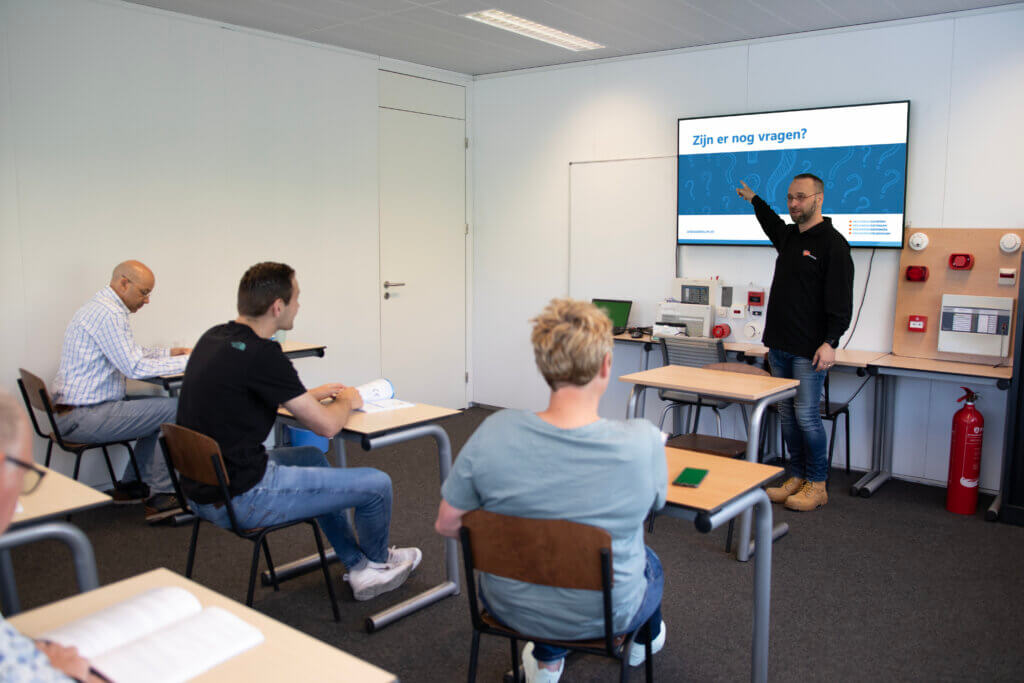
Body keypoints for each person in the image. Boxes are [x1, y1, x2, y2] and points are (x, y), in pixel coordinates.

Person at [435, 298, 667, 683]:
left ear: (544, 366)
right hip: (607, 613)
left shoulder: (494, 431)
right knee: (648, 560)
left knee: (543, 541)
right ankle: (645, 642)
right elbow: (657, 504)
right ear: (606, 366)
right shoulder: (643, 443)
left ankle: (547, 659)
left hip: (508, 606)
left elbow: (447, 524)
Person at [176, 262, 421, 601]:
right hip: (244, 497)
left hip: (201, 491)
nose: (299, 306)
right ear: (278, 306)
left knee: (309, 456)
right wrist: (348, 400)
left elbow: (243, 396)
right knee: (377, 484)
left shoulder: (214, 338)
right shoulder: (264, 355)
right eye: (296, 299)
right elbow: (328, 426)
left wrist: (305, 397)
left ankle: (356, 562)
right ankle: (376, 566)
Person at [736, 173, 854, 511]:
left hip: (809, 349)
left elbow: (841, 301)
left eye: (800, 197)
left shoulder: (833, 244)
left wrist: (831, 341)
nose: (793, 203)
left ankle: (817, 484)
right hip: (780, 345)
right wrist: (755, 200)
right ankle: (796, 476)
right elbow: (770, 221)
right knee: (787, 416)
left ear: (818, 198)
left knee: (807, 418)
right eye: (790, 197)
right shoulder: (788, 237)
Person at [52, 260, 191, 519]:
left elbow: (129, 353)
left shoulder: (99, 308)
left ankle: (132, 486)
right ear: (124, 283)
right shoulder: (109, 314)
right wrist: (191, 360)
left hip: (71, 412)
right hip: (83, 416)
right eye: (144, 292)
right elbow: (134, 367)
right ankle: (163, 496)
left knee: (156, 411)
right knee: (177, 408)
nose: (147, 300)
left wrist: (169, 353)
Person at [0, 389, 103, 681]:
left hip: (71, 415)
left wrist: (32, 655)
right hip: (83, 417)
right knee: (165, 411)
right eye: (26, 476)